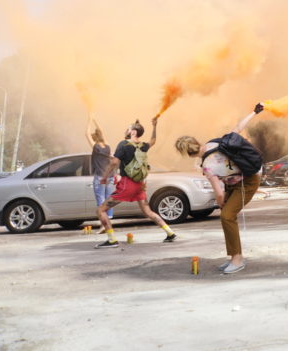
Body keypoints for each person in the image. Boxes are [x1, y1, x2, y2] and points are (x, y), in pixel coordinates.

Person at [174, 103, 265, 274]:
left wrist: (222, 203)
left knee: (227, 216)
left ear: (187, 153)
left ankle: (237, 260)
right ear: (196, 142)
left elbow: (219, 192)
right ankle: (234, 256)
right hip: (242, 179)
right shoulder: (214, 143)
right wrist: (254, 112)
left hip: (248, 181)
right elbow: (238, 127)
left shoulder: (208, 166)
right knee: (228, 217)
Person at [95, 117, 178, 247]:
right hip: (140, 185)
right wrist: (155, 126)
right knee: (148, 211)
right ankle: (170, 232)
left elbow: (114, 162)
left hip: (127, 184)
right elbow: (153, 141)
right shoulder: (143, 146)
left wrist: (105, 177)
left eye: (128, 128)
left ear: (133, 132)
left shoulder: (123, 144)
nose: (126, 130)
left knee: (101, 210)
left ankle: (111, 240)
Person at [85, 117, 114, 227]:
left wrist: (89, 119)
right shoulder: (107, 146)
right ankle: (108, 221)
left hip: (100, 177)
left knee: (101, 201)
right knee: (108, 200)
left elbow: (86, 134)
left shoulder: (96, 147)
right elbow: (101, 131)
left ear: (94, 139)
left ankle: (104, 225)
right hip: (110, 177)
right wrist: (95, 120)